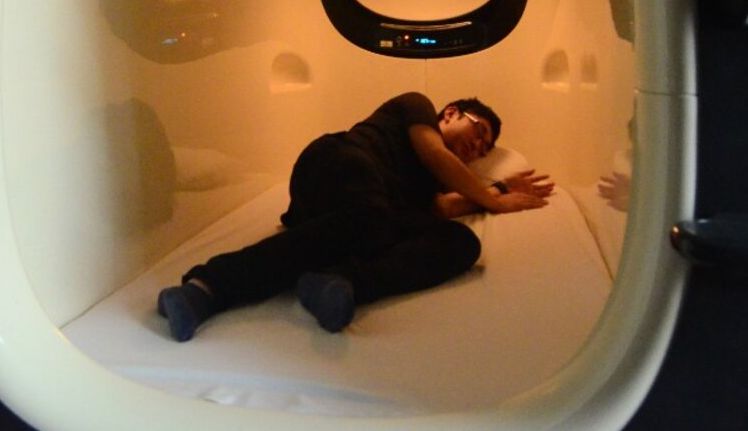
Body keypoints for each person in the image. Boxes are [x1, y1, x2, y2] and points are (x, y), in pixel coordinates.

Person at [157, 92, 552, 341]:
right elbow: (436, 155)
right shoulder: (417, 108)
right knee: (369, 216)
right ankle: (208, 287)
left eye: (484, 150)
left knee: (461, 242)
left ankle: (337, 282)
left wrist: (501, 190)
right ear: (451, 113)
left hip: (366, 218)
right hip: (338, 164)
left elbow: (444, 208)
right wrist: (492, 199)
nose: (478, 148)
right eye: (479, 132)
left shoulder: (435, 183)